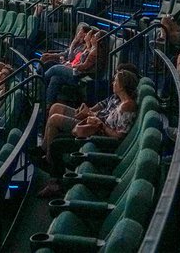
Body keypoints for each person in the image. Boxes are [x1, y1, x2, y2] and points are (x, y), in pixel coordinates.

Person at [33, 68, 139, 197]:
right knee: (57, 139)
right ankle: (53, 177)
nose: (113, 83)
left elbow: (119, 136)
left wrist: (100, 123)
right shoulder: (117, 99)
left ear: (122, 85)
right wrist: (92, 115)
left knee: (56, 144)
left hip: (99, 140)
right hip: (95, 130)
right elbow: (104, 114)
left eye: (115, 81)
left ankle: (54, 182)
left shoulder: (128, 106)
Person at [43, 29, 103, 105]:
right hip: (76, 71)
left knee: (55, 69)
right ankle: (47, 104)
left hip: (80, 76)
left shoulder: (95, 51)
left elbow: (84, 66)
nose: (92, 37)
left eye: (95, 36)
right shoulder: (89, 48)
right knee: (55, 78)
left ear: (99, 40)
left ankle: (38, 80)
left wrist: (71, 66)